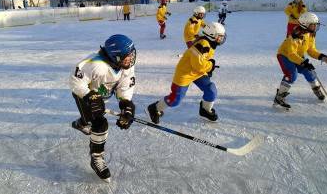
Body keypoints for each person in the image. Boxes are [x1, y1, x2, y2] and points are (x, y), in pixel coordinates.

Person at [69, 34, 137, 182]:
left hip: (100, 97)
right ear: (116, 56)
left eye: (132, 53)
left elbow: (125, 86)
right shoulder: (95, 64)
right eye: (127, 55)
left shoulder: (125, 66)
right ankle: (96, 158)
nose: (131, 58)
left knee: (89, 121)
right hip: (84, 95)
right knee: (100, 124)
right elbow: (76, 80)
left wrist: (127, 107)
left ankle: (81, 123)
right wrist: (90, 96)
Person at [147, 22, 226, 123]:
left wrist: (208, 66)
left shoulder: (210, 43)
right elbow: (199, 65)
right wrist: (210, 66)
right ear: (212, 35)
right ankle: (154, 108)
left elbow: (202, 63)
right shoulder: (202, 45)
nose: (222, 39)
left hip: (197, 73)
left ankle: (205, 110)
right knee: (175, 99)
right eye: (220, 37)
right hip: (185, 73)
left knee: (211, 89)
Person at [273, 12, 327, 109]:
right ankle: (279, 97)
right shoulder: (295, 35)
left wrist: (323, 57)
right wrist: (303, 62)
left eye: (316, 24)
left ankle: (316, 89)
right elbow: (291, 54)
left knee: (309, 72)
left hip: (298, 55)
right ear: (305, 24)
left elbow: (311, 50)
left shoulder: (311, 34)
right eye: (313, 25)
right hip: (285, 55)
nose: (315, 27)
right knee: (292, 75)